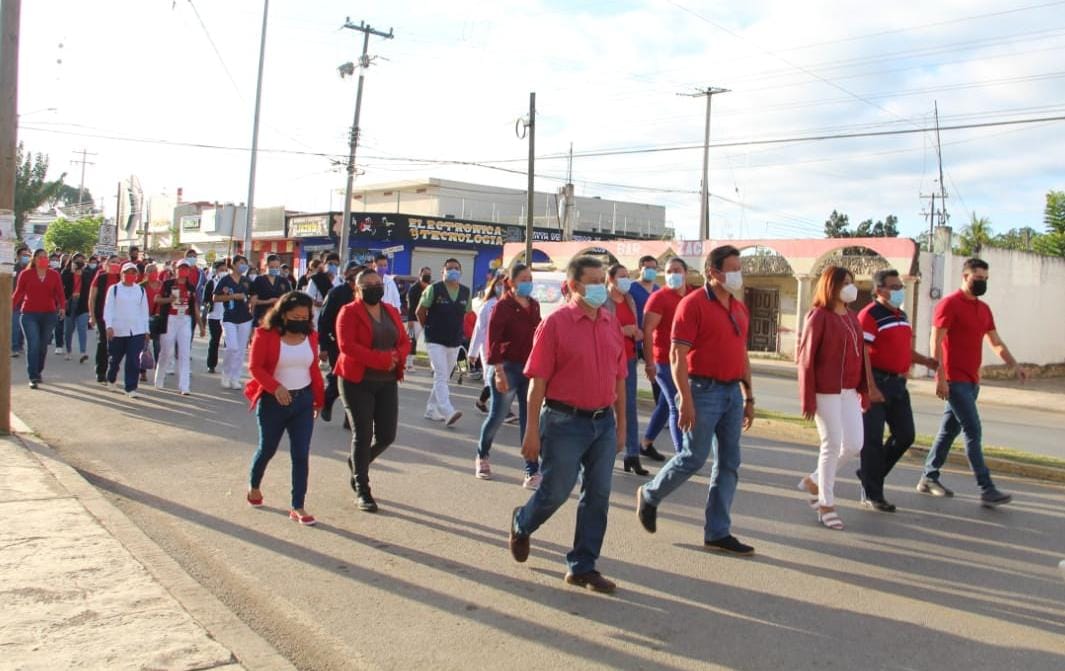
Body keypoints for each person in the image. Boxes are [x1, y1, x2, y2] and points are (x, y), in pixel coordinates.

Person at [508, 255, 627, 594]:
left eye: (603, 280)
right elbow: (537, 383)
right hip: (563, 423)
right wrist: (531, 431)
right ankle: (522, 522)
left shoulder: (610, 323)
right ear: (574, 286)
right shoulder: (555, 324)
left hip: (602, 423)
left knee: (598, 496)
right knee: (556, 492)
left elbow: (620, 379)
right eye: (593, 281)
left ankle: (583, 566)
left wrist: (622, 428)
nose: (601, 287)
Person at [634, 246, 756, 555]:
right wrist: (685, 399)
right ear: (713, 272)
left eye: (739, 267)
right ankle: (650, 494)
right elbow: (677, 356)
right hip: (703, 391)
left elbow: (742, 354)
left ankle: (717, 531)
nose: (737, 274)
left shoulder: (738, 308)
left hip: (732, 393)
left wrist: (749, 395)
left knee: (730, 463)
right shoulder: (693, 305)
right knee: (693, 457)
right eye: (732, 268)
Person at [918, 258, 1026, 506]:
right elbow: (935, 343)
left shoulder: (984, 309)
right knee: (972, 430)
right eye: (978, 278)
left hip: (972, 381)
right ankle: (986, 488)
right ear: (965, 276)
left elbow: (995, 342)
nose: (982, 283)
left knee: (948, 431)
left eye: (986, 279)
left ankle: (928, 477)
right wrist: (940, 377)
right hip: (954, 381)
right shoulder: (949, 304)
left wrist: (1015, 365)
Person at [796, 266, 875, 531]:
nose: (850, 287)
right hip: (825, 390)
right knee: (831, 444)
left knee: (854, 444)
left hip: (849, 390)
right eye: (845, 283)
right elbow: (805, 359)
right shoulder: (818, 316)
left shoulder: (853, 317)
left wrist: (864, 390)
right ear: (831, 286)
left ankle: (815, 480)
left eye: (852, 282)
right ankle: (825, 503)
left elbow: (860, 357)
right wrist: (807, 397)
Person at [857, 269, 939, 512]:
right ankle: (872, 494)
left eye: (899, 286)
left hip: (897, 384)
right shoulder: (869, 315)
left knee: (906, 435)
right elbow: (862, 354)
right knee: (872, 440)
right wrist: (870, 387)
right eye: (894, 286)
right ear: (879, 290)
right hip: (876, 383)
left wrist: (926, 361)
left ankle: (870, 473)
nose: (898, 290)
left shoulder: (900, 315)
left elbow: (903, 349)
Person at [244, 291, 325, 527]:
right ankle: (254, 485)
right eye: (295, 316)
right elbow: (256, 367)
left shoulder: (310, 336)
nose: (300, 320)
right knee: (267, 448)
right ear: (283, 314)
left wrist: (318, 401)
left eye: (305, 316)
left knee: (301, 454)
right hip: (273, 403)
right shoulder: (265, 334)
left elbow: (314, 370)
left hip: (302, 401)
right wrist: (275, 387)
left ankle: (297, 505)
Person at [335, 269, 411, 512]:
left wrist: (396, 357)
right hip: (356, 380)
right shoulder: (348, 312)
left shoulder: (390, 310)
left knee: (387, 435)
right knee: (363, 433)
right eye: (368, 284)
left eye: (377, 283)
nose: (374, 287)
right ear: (357, 289)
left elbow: (404, 340)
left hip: (387, 379)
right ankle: (362, 488)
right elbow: (347, 346)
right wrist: (382, 359)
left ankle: (358, 463)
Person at [474, 266, 540, 484]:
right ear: (511, 282)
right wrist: (499, 372)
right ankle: (482, 454)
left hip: (528, 368)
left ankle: (531, 469)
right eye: (523, 279)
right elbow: (492, 340)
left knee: (529, 419)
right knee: (498, 415)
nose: (528, 283)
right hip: (506, 367)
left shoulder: (534, 305)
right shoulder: (502, 306)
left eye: (530, 279)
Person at [641, 257, 692, 458]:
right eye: (669, 271)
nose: (672, 275)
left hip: (685, 360)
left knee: (664, 404)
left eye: (677, 270)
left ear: (685, 273)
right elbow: (647, 331)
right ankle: (682, 454)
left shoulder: (691, 296)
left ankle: (645, 443)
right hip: (663, 360)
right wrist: (649, 363)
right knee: (676, 404)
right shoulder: (658, 298)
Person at [416, 258, 471, 426]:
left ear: (461, 272)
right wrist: (428, 328)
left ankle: (431, 409)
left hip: (454, 340)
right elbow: (420, 311)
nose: (453, 271)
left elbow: (467, 315)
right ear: (443, 272)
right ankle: (447, 410)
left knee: (444, 376)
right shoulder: (434, 289)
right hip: (435, 339)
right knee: (440, 374)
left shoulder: (465, 292)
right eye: (449, 268)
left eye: (456, 268)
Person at [605, 263, 647, 475]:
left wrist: (636, 333)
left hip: (628, 359)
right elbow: (601, 330)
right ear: (610, 279)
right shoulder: (603, 301)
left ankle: (632, 454)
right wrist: (623, 330)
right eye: (622, 276)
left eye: (627, 275)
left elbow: (635, 324)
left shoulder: (629, 299)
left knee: (628, 408)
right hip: (607, 361)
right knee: (607, 408)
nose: (626, 279)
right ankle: (604, 456)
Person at [12, 249, 65, 388]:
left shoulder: (54, 275)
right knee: (33, 344)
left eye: (45, 257)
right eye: (40, 257)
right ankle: (33, 376)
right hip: (29, 314)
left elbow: (59, 292)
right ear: (34, 259)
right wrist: (9, 307)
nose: (43, 259)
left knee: (42, 347)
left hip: (49, 314)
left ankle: (38, 371)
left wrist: (62, 307)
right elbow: (18, 292)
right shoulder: (25, 274)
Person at [317, 261, 362, 423]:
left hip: (358, 345)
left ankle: (349, 418)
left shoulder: (363, 296)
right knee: (340, 379)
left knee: (356, 381)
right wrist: (323, 346)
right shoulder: (336, 293)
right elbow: (324, 320)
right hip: (336, 343)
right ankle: (327, 402)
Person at [154, 259, 206, 395]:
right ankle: (159, 378)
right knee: (166, 351)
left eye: (186, 269)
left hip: (185, 320)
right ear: (175, 270)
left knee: (184, 352)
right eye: (180, 268)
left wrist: (201, 326)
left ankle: (184, 386)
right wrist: (169, 299)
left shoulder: (191, 287)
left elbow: (194, 306)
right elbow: (157, 299)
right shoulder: (167, 284)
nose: (183, 271)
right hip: (170, 319)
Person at [103, 262, 151, 398]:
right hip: (118, 330)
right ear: (121, 274)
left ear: (136, 275)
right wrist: (109, 326)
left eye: (133, 273)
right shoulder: (114, 289)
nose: (130, 275)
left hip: (136, 330)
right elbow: (109, 308)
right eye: (127, 273)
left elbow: (144, 311)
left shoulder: (140, 290)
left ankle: (130, 387)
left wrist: (146, 330)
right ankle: (111, 378)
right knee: (115, 359)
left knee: (133, 360)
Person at [213, 255, 255, 389]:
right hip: (229, 318)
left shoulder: (247, 281)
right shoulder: (225, 280)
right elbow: (215, 297)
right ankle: (226, 374)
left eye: (245, 264)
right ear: (234, 265)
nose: (243, 266)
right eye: (241, 263)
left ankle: (235, 378)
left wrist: (251, 305)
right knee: (232, 347)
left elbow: (253, 297)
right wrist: (232, 296)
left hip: (245, 318)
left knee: (241, 350)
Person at [469, 273, 505, 414]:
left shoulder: (509, 305)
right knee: (492, 377)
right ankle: (503, 410)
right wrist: (473, 352)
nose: (501, 287)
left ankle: (481, 402)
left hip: (504, 348)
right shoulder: (487, 306)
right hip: (488, 347)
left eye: (504, 285)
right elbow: (479, 330)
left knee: (497, 378)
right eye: (499, 284)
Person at [88, 255, 122, 384]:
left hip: (118, 317)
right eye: (113, 262)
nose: (115, 265)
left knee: (115, 345)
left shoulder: (121, 279)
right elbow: (92, 298)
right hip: (102, 316)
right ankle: (100, 371)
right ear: (106, 263)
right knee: (102, 343)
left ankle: (111, 371)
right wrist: (92, 316)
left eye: (118, 263)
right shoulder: (100, 277)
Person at [61, 253, 93, 363]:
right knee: (69, 329)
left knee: (82, 328)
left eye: (81, 261)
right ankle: (68, 350)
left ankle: (83, 352)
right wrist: (71, 272)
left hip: (82, 304)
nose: (79, 263)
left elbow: (90, 286)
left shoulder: (87, 273)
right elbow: (62, 284)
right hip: (70, 303)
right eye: (77, 261)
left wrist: (82, 273)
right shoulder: (66, 272)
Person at [250, 254, 293, 325]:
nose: (274, 269)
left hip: (278, 316)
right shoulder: (259, 280)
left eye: (277, 267)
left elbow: (289, 298)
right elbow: (253, 301)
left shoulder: (283, 281)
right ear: (266, 266)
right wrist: (267, 301)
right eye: (272, 267)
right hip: (262, 316)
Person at [202, 260, 227, 373]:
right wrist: (210, 303)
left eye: (225, 270)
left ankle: (228, 366)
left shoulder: (230, 282)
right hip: (214, 316)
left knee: (229, 343)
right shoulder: (211, 283)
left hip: (227, 316)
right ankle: (211, 364)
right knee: (214, 341)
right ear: (216, 271)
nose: (224, 272)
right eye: (221, 270)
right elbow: (205, 299)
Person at [11, 244, 31, 358]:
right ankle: (14, 347)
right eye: (24, 255)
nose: (26, 257)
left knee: (24, 325)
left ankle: (20, 344)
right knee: (15, 325)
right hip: (16, 301)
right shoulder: (13, 268)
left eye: (28, 255)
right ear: (18, 256)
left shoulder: (31, 269)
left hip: (28, 302)